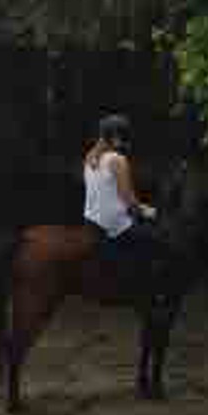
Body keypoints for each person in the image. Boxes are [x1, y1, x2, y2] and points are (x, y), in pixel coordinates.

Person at [82, 113, 162, 295]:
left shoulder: (89, 158)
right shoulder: (118, 160)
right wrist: (148, 211)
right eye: (124, 138)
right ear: (117, 137)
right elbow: (128, 200)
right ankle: (146, 289)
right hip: (114, 225)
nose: (126, 144)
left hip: (90, 221)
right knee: (154, 241)